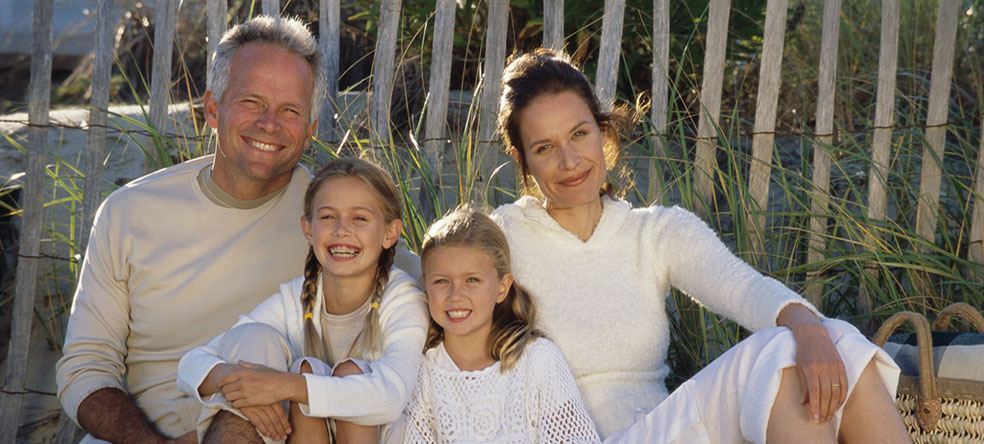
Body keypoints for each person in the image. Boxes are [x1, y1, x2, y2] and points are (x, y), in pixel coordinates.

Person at [489, 49, 911, 443]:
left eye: (579, 134)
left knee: (834, 340)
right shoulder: (503, 238)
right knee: (787, 350)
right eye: (545, 147)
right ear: (524, 160)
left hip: (666, 430)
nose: (569, 161)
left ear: (603, 132)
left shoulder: (654, 232)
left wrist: (811, 330)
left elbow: (744, 289)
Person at [55, 16, 420, 444]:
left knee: (258, 345)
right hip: (140, 439)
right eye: (251, 101)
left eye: (290, 110)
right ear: (212, 109)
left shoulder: (333, 224)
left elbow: (441, 284)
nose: (270, 123)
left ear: (310, 130)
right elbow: (85, 370)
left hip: (266, 431)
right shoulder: (129, 213)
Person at [177, 158, 429, 443]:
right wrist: (242, 383)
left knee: (349, 375)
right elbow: (190, 364)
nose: (342, 230)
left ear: (390, 233)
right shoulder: (297, 298)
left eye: (359, 218)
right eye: (328, 217)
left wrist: (285, 385)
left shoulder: (403, 300)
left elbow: (391, 396)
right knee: (254, 337)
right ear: (308, 230)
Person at [391, 205, 600, 443]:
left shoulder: (539, 361)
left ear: (502, 287)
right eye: (441, 281)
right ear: (426, 284)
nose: (456, 295)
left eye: (472, 280)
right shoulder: (420, 371)